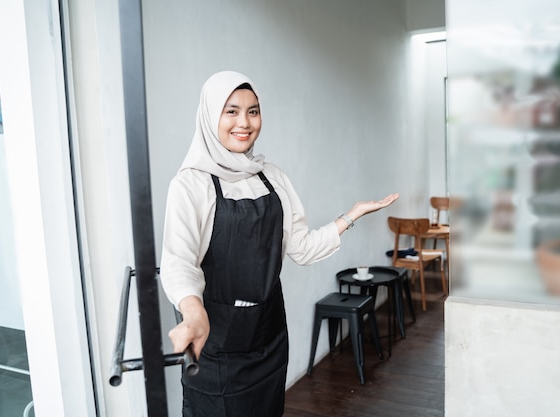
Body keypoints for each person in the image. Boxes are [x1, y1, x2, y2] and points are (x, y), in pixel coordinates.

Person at [159, 70, 399, 417]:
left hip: (269, 335)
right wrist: (193, 312)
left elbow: (301, 247)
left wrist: (351, 216)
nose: (244, 122)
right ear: (211, 115)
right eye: (231, 111)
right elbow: (179, 261)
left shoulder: (272, 177)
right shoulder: (190, 185)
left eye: (253, 111)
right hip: (218, 342)